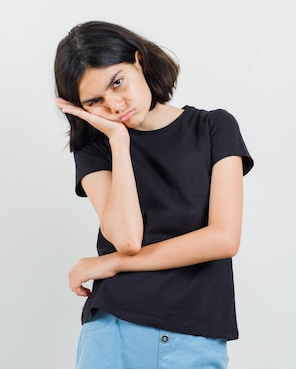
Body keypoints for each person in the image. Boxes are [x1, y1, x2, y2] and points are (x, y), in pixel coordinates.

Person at [54, 21, 254, 369]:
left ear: (139, 61)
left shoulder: (214, 128)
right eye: (95, 101)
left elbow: (223, 239)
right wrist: (119, 141)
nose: (115, 105)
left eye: (117, 82)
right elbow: (128, 238)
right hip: (113, 333)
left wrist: (111, 262)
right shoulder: (95, 149)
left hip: (194, 337)